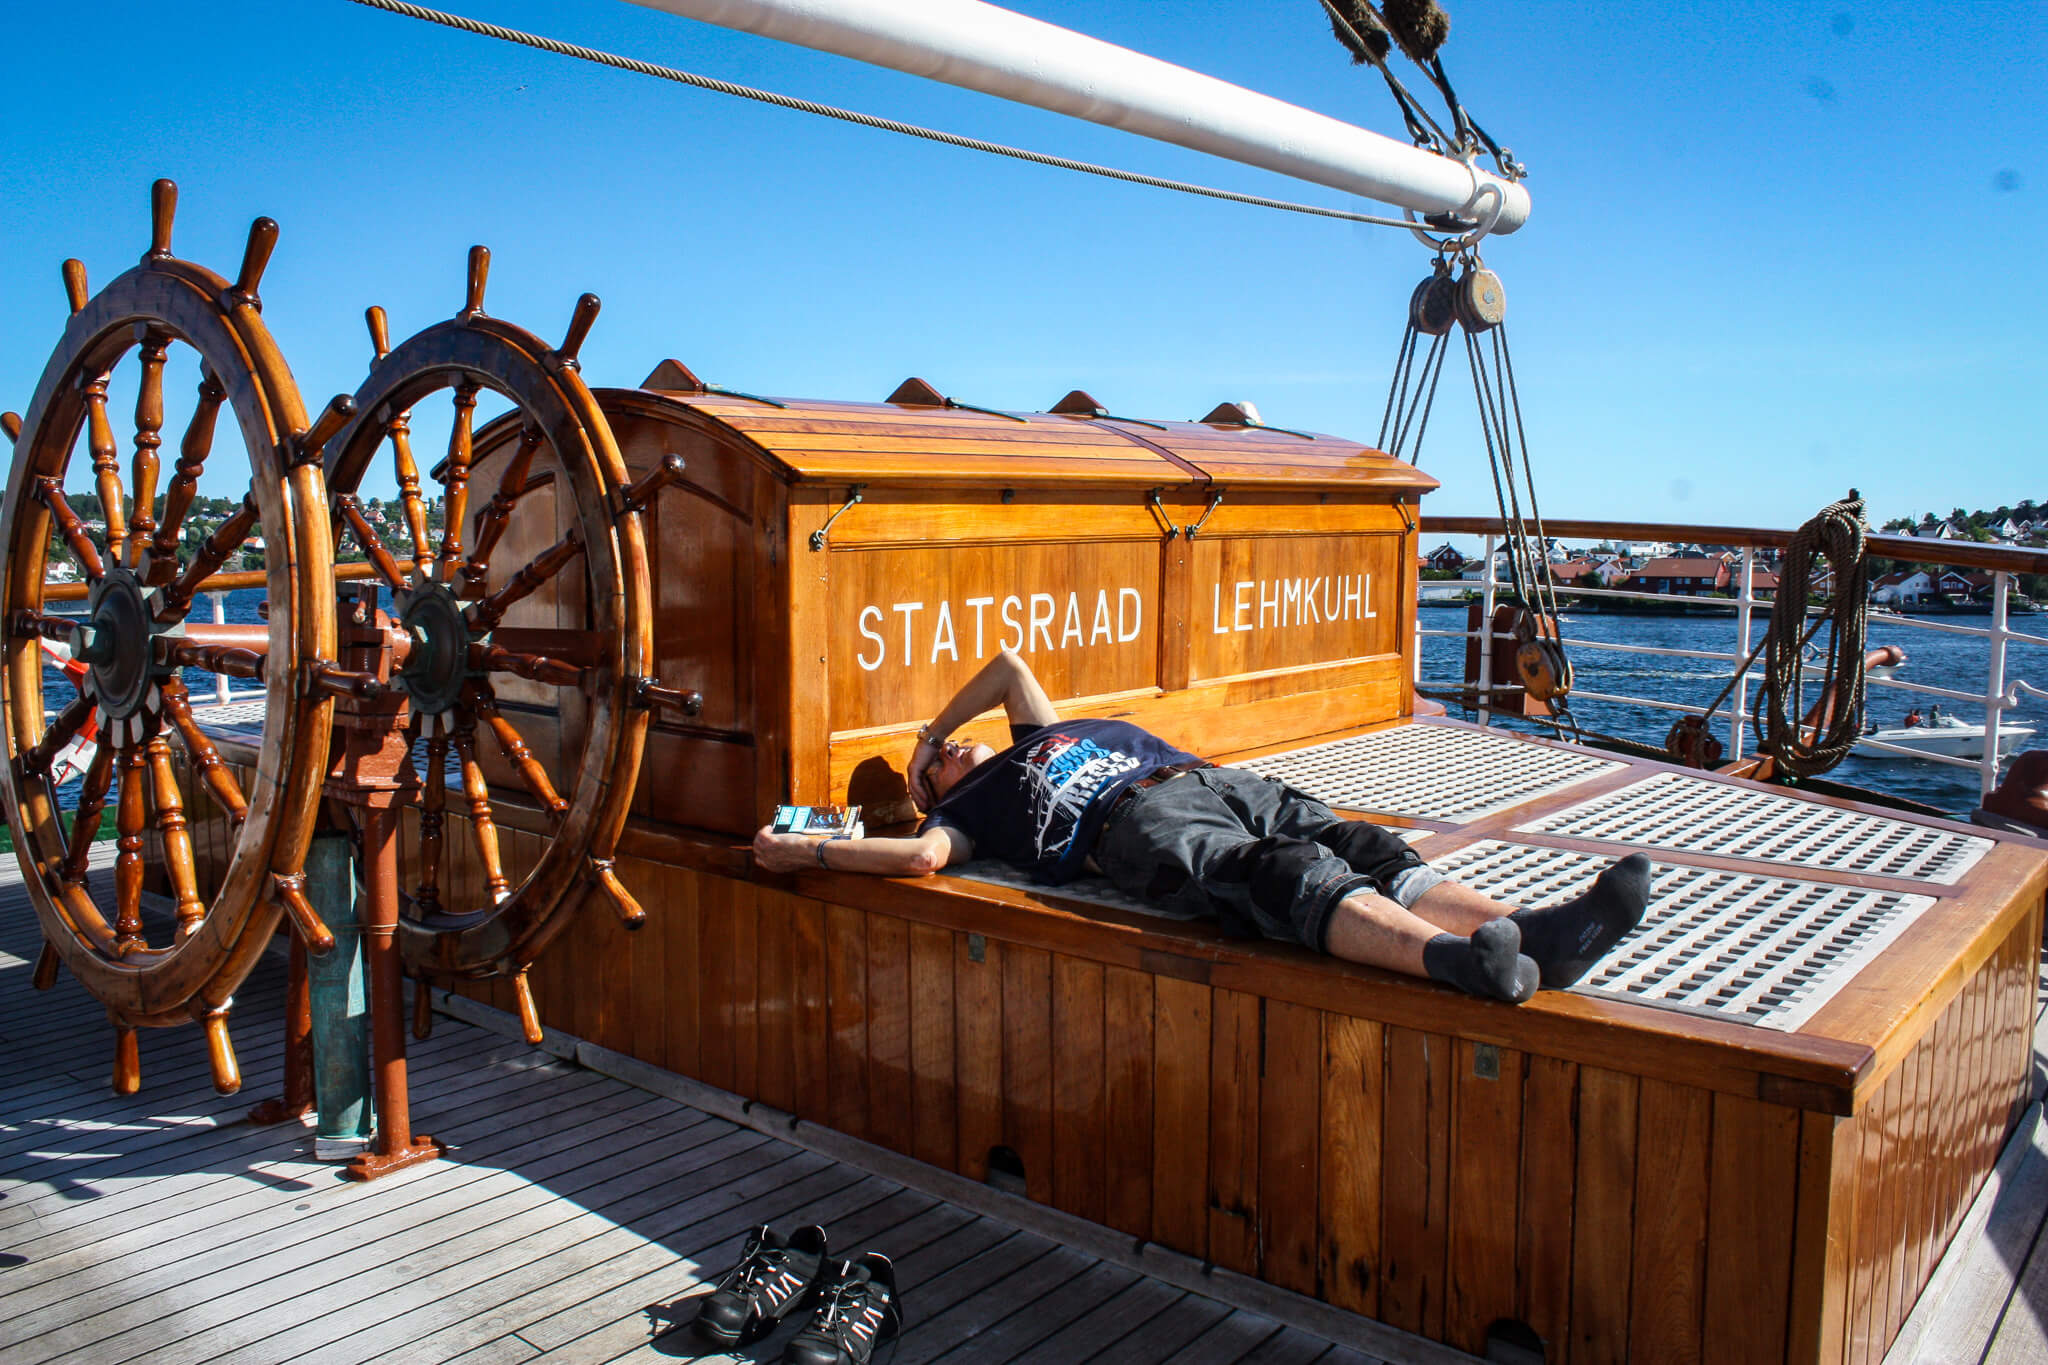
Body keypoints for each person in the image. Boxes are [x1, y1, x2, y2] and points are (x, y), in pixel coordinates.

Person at [753, 649, 1649, 1004]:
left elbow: (1008, 666)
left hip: (1208, 777)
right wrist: (804, 846)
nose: (957, 752)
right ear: (934, 792)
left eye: (955, 748)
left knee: (1361, 844)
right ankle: (1455, 961)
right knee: (1284, 875)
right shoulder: (972, 810)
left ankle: (1538, 935)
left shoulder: (1039, 733)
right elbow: (916, 857)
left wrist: (931, 734)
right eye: (942, 762)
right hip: (1135, 823)